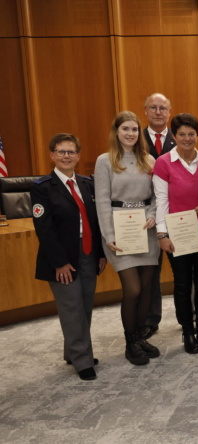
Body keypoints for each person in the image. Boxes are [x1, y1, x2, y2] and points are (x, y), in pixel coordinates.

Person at [31, 133, 107, 380]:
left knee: (84, 305)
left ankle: (73, 351)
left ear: (78, 156)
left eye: (71, 152)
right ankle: (82, 360)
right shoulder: (42, 187)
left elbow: (96, 222)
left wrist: (100, 253)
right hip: (62, 258)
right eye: (61, 152)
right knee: (71, 307)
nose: (66, 156)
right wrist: (59, 263)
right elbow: (44, 229)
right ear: (52, 155)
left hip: (87, 253)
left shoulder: (87, 184)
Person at [95, 111, 160, 366]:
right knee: (132, 289)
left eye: (134, 129)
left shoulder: (149, 159)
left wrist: (154, 214)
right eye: (126, 129)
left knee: (146, 290)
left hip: (146, 229)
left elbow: (157, 195)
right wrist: (108, 234)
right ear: (117, 132)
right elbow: (101, 199)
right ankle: (130, 342)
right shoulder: (105, 161)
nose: (131, 134)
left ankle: (140, 337)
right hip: (119, 231)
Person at [153, 113, 198, 354]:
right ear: (174, 136)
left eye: (191, 134)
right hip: (176, 231)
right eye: (182, 134)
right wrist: (162, 235)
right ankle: (187, 332)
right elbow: (161, 200)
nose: (187, 139)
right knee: (182, 283)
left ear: (197, 136)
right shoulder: (163, 162)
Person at [141, 92, 175, 340]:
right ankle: (150, 319)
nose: (158, 112)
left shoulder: (182, 138)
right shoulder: (133, 139)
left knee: (185, 270)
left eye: (162, 108)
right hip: (144, 218)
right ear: (145, 111)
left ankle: (191, 316)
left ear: (169, 112)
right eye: (153, 107)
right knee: (150, 271)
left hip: (176, 215)